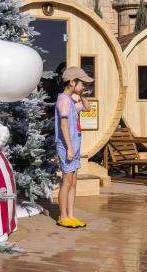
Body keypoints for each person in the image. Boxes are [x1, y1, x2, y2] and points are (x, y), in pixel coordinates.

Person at [55, 66, 93, 229]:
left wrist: (82, 96)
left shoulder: (71, 100)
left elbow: (86, 108)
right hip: (67, 147)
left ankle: (71, 215)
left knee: (74, 182)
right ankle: (63, 216)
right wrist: (69, 148)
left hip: (74, 147)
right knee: (67, 182)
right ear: (72, 82)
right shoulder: (63, 99)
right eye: (82, 84)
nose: (84, 87)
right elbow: (63, 126)